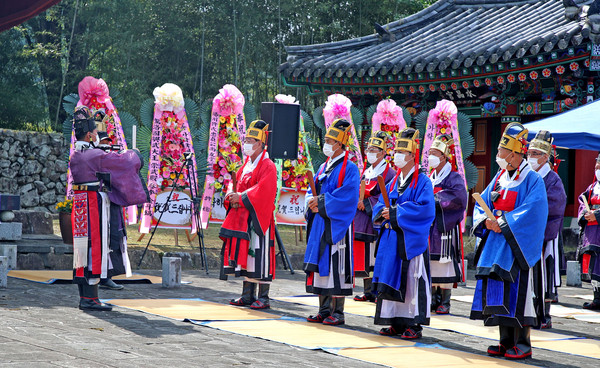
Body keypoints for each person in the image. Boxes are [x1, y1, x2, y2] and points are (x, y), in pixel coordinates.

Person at [471, 122, 548, 360]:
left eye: (501, 152)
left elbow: (534, 211)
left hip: (517, 245)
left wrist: (503, 223)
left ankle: (523, 343)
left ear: (514, 153)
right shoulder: (498, 178)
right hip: (496, 244)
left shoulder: (533, 180)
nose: (498, 156)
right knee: (498, 290)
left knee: (519, 292)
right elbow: (481, 203)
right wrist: (485, 221)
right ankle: (504, 340)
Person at [70, 106, 147, 311]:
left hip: (80, 205)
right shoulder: (93, 155)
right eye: (96, 132)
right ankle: (91, 299)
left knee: (82, 250)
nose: (97, 135)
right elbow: (122, 162)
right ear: (88, 134)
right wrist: (135, 155)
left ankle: (85, 297)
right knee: (95, 247)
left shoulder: (77, 154)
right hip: (93, 205)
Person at [372, 127, 435, 339]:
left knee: (411, 280)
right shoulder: (393, 181)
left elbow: (426, 209)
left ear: (411, 155)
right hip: (392, 239)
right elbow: (381, 202)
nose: (397, 155)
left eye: (402, 152)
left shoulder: (423, 182)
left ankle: (413, 323)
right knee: (391, 276)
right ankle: (395, 322)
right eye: (396, 151)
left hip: (410, 241)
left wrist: (397, 212)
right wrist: (382, 212)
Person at [304, 118, 360, 326]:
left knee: (337, 266)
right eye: (326, 139)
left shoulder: (350, 168)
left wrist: (322, 202)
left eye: (330, 140)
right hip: (320, 222)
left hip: (338, 224)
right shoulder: (323, 166)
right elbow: (313, 189)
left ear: (340, 144)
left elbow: (348, 196)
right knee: (321, 264)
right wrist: (311, 200)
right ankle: (323, 308)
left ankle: (338, 312)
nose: (326, 143)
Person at [221, 120, 278, 310]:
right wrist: (231, 194)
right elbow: (235, 182)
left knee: (260, 255)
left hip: (259, 217)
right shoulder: (246, 164)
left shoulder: (268, 165)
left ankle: (264, 297)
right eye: (246, 139)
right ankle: (247, 295)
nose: (246, 143)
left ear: (260, 143)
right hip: (245, 217)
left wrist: (242, 197)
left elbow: (264, 190)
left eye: (250, 139)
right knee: (247, 255)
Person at [527, 130, 566, 328]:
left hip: (545, 233)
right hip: (527, 232)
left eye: (535, 154)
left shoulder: (552, 179)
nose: (530, 157)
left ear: (545, 157)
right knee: (529, 275)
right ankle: (529, 312)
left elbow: (556, 204)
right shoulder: (525, 175)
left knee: (544, 274)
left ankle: (545, 315)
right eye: (529, 153)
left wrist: (531, 209)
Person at [353, 131, 396, 302]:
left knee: (376, 255)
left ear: (383, 152)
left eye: (374, 149)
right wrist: (358, 199)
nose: (370, 152)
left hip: (377, 219)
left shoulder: (389, 173)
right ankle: (368, 290)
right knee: (364, 255)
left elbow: (387, 194)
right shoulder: (367, 171)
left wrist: (368, 203)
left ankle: (378, 291)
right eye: (369, 149)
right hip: (362, 218)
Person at [428, 134, 468, 315]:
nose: (431, 157)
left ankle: (445, 300)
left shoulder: (454, 177)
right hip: (430, 224)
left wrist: (436, 199)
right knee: (431, 262)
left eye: (435, 153)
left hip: (445, 226)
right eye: (430, 153)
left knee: (444, 264)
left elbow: (459, 198)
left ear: (444, 157)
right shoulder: (430, 176)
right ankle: (433, 298)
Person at [95, 129, 125, 291]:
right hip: (97, 202)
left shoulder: (113, 159)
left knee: (114, 236)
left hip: (112, 201)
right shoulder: (92, 158)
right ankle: (97, 275)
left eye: (108, 142)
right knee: (99, 238)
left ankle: (108, 275)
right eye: (103, 142)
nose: (107, 145)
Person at [577, 153, 600, 310]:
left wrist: (597, 215)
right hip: (592, 232)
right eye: (597, 164)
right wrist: (586, 214)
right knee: (594, 264)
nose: (597, 167)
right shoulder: (592, 188)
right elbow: (582, 202)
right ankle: (597, 297)